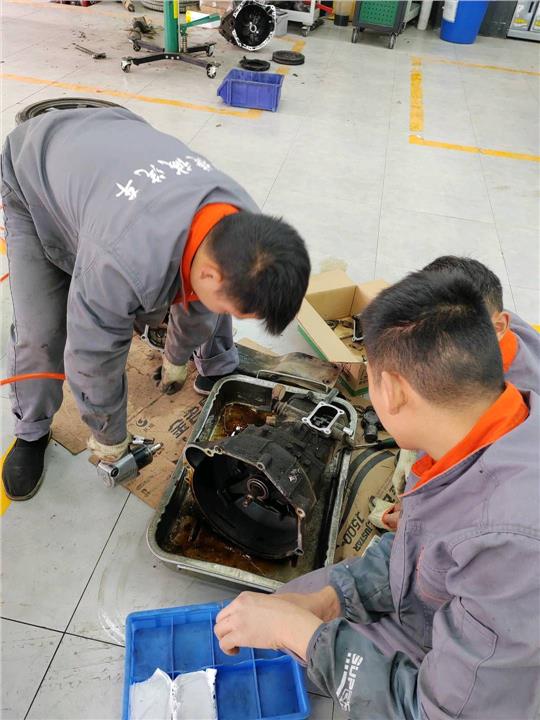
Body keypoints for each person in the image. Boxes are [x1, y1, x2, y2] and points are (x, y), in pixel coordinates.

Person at [214, 270, 540, 719]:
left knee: (285, 645)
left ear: (394, 390)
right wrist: (332, 598)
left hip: (485, 690)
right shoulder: (483, 422)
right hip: (449, 607)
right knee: (282, 609)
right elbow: (421, 544)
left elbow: (438, 713)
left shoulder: (511, 544)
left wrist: (302, 636)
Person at [1, 106, 310, 501]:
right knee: (42, 330)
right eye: (235, 311)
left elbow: (201, 295)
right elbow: (92, 357)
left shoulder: (243, 224)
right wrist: (109, 435)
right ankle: (31, 431)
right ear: (209, 274)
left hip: (113, 138)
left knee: (221, 298)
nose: (231, 316)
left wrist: (176, 358)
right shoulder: (122, 261)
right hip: (34, 172)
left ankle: (215, 366)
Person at [371, 255, 540, 531]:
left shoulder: (509, 409)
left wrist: (414, 519)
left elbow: (470, 503)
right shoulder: (484, 318)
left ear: (499, 326)